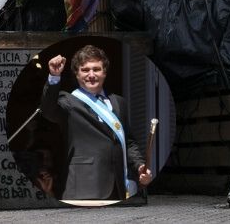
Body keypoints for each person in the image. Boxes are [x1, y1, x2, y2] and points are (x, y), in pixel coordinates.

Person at [39, 45, 152, 201]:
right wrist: (54, 76)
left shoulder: (119, 102)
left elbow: (128, 141)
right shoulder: (69, 101)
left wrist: (140, 165)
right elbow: (48, 110)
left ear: (104, 72)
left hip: (119, 186)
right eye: (85, 70)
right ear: (77, 74)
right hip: (85, 185)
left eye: (96, 69)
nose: (91, 75)